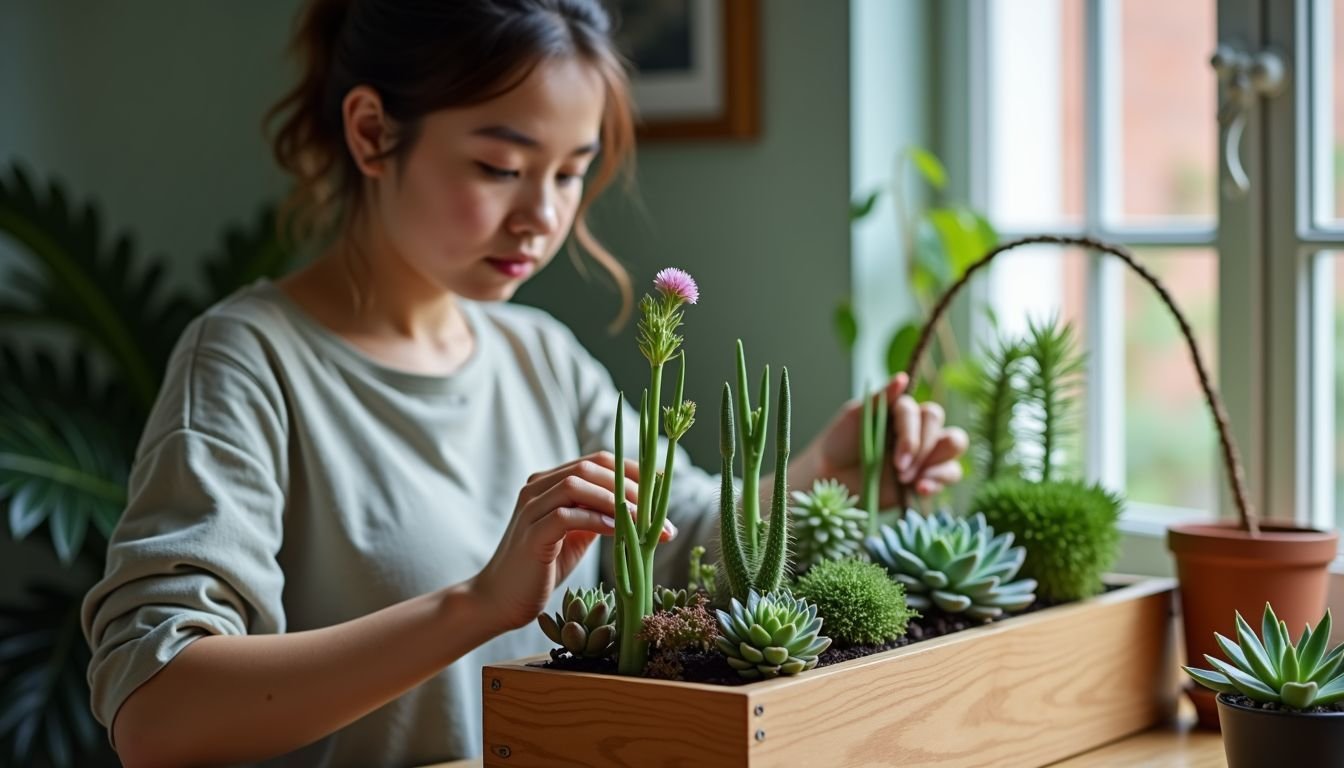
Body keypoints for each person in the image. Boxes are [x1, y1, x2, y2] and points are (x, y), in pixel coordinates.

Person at [80, 1, 969, 766]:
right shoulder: (247, 360)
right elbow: (156, 711)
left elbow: (683, 536)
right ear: (371, 133)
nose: (543, 216)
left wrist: (836, 469)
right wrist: (477, 603)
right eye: (501, 167)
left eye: (572, 171)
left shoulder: (536, 352)